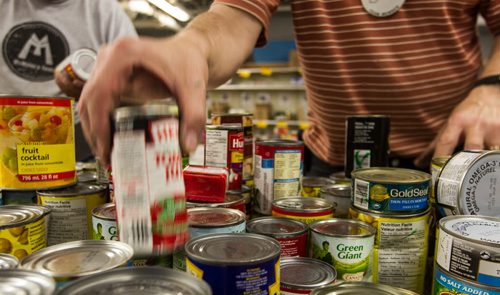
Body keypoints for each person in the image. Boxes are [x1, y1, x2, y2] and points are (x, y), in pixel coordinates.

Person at [78, 1, 500, 173]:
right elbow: (231, 19)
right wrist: (192, 45)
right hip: (330, 164)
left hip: (454, 160)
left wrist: (493, 88)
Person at [0, 0, 138, 161]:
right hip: (7, 133)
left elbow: (138, 89)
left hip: (78, 138)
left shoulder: (105, 11)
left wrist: (98, 91)